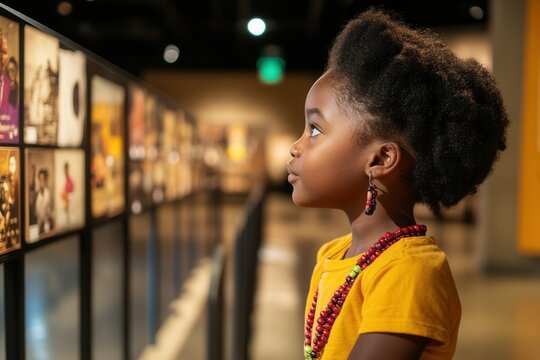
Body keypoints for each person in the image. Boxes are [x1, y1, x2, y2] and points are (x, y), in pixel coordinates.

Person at [286, 9, 509, 360]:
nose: (295, 146)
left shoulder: (409, 272)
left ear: (380, 160)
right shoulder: (334, 255)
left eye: (314, 130)